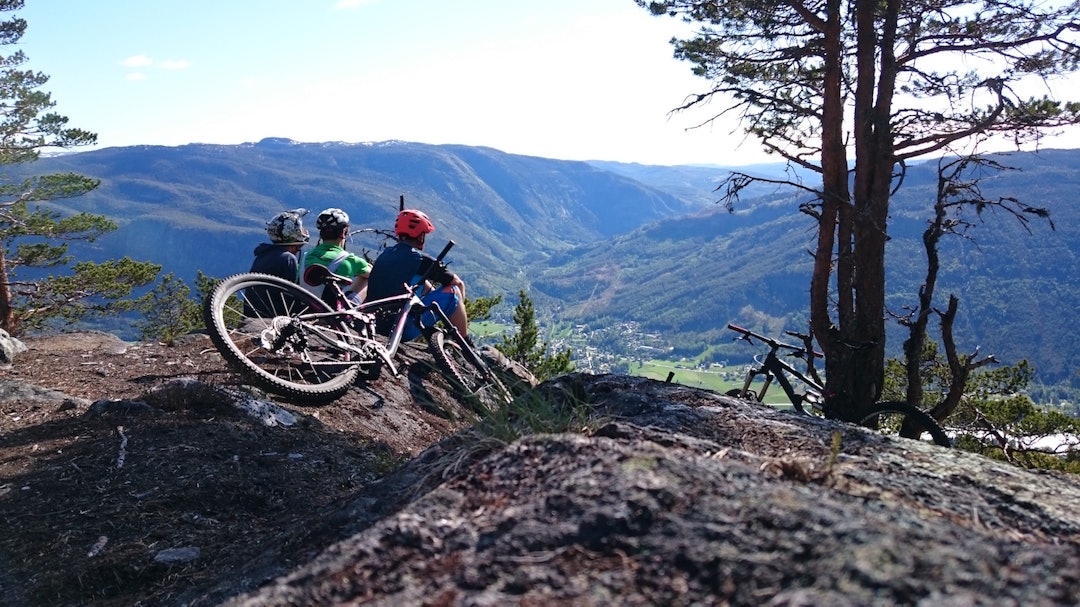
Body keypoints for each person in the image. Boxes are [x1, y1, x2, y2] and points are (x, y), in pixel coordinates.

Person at [366, 208, 469, 340]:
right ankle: (464, 342)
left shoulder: (386, 254)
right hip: (400, 328)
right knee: (453, 292)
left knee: (416, 279)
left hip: (376, 324)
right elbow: (457, 283)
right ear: (420, 236)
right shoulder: (418, 259)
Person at [301, 207, 371, 306]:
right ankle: (352, 310)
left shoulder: (305, 257)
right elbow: (373, 274)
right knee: (366, 279)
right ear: (343, 233)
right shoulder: (349, 260)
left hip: (304, 310)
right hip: (333, 314)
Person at [250, 208, 309, 282]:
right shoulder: (288, 259)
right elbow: (292, 291)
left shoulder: (262, 256)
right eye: (297, 248)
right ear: (293, 247)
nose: (296, 252)